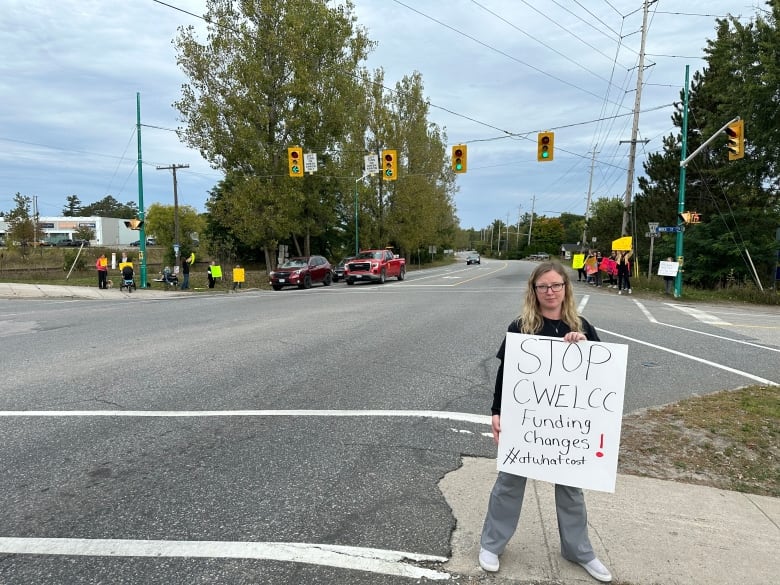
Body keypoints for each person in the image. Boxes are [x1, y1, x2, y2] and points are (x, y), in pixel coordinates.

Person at [478, 261, 612, 583]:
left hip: (567, 431)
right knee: (509, 483)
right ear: (534, 291)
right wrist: (497, 411)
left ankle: (578, 550)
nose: (550, 292)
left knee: (571, 489)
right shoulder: (520, 327)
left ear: (566, 288)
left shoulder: (582, 326)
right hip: (527, 425)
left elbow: (600, 377)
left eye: (556, 285)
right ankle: (491, 544)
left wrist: (586, 348)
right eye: (543, 287)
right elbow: (505, 373)